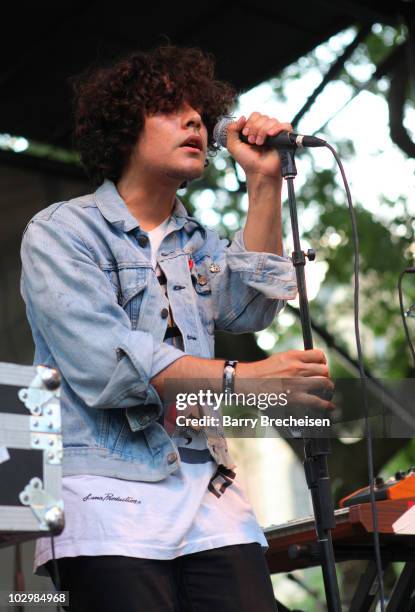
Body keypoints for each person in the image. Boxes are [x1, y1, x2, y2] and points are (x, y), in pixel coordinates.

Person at [20, 45, 333, 612]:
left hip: (209, 497)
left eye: (199, 110)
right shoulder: (61, 231)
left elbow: (251, 309)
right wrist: (247, 380)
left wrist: (263, 181)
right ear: (122, 127)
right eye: (169, 108)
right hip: (103, 496)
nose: (195, 119)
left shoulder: (198, 242)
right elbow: (106, 364)